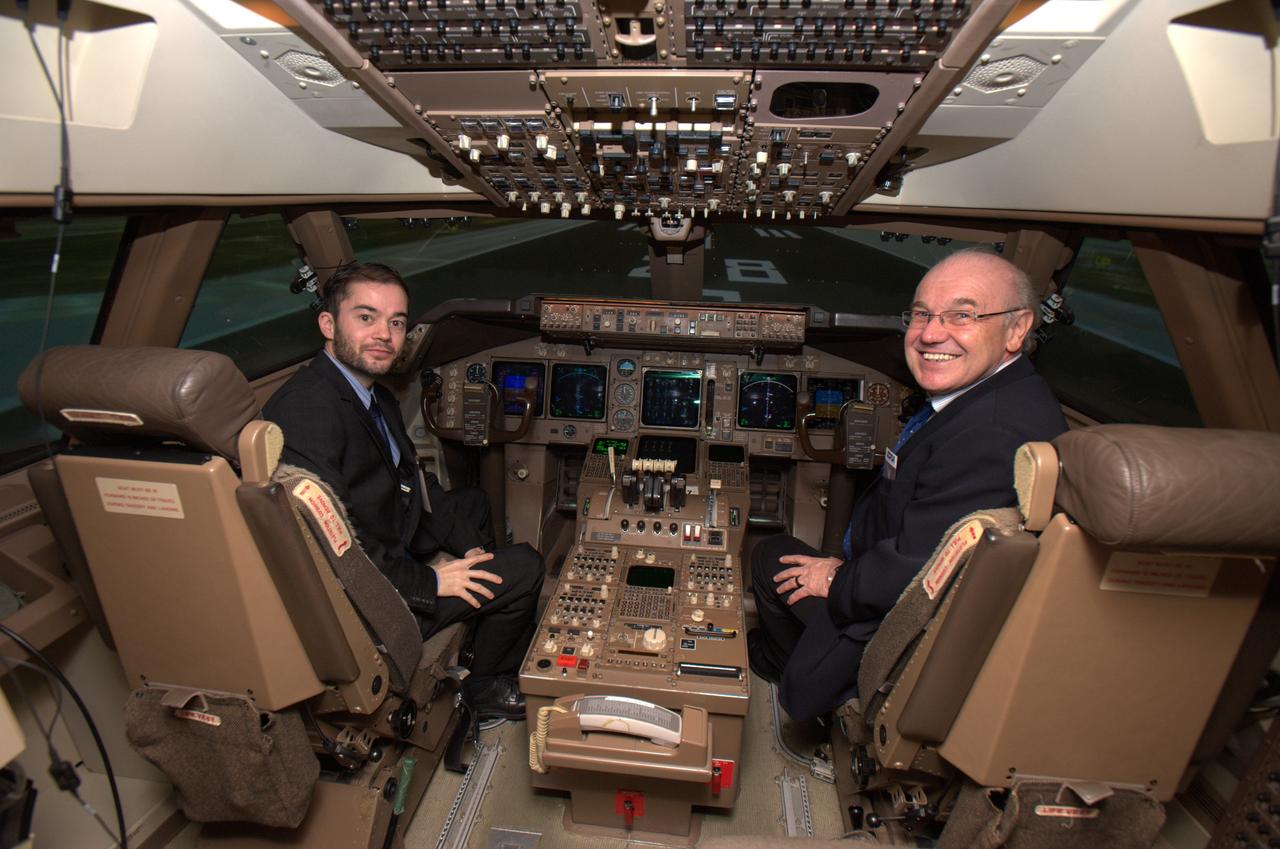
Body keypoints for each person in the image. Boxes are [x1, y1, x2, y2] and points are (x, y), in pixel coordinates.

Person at [749, 249, 1068, 721]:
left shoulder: (993, 434)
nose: (930, 334)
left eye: (962, 315)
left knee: (769, 560)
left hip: (895, 618)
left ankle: (796, 672)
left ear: (1018, 328)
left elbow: (912, 572)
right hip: (900, 581)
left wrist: (834, 576)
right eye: (921, 315)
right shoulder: (1000, 398)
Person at [263, 262, 543, 722]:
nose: (385, 335)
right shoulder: (307, 414)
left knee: (473, 505)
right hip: (373, 601)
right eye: (366, 317)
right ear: (328, 324)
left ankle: (480, 623)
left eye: (396, 322)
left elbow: (412, 477)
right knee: (527, 566)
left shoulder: (370, 395)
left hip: (390, 541)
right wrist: (433, 579)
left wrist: (465, 550)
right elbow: (334, 551)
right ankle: (486, 688)